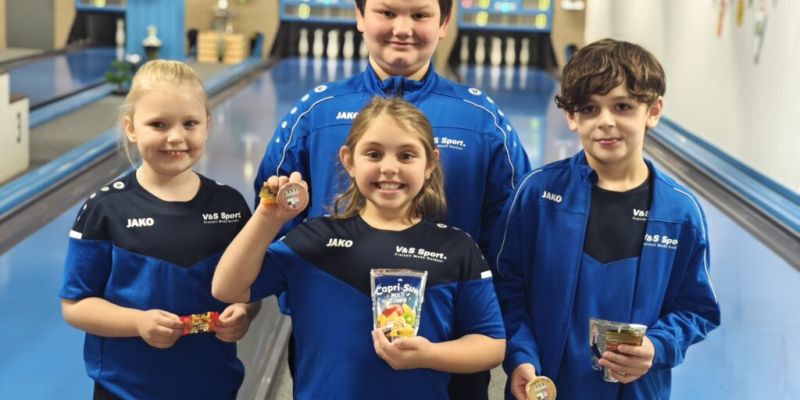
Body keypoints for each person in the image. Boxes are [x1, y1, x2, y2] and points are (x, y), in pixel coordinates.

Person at [255, 0, 530, 396]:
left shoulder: (482, 120)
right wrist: (299, 298)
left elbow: (514, 239)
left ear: (444, 22)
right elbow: (270, 208)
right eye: (386, 12)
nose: (403, 28)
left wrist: (508, 339)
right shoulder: (316, 112)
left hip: (449, 339)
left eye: (420, 15)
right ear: (360, 16)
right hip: (332, 339)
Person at [214, 97, 506, 399]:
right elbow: (227, 288)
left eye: (406, 156)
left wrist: (429, 355)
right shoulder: (314, 240)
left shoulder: (457, 248)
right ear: (349, 160)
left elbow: (491, 345)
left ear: (430, 164)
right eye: (374, 154)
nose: (389, 168)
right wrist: (266, 218)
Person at [490, 38, 721, 400]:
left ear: (653, 111)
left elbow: (696, 308)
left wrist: (657, 347)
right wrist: (521, 356)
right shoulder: (537, 195)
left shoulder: (680, 213)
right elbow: (506, 289)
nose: (606, 122)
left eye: (623, 106)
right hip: (546, 388)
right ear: (571, 117)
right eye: (589, 108)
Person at [59, 60, 260, 400]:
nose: (176, 137)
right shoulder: (105, 209)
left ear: (207, 125)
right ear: (131, 128)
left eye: (190, 123)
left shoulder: (231, 205)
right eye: (158, 124)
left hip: (212, 386)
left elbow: (249, 290)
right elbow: (76, 305)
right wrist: (138, 323)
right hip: (125, 390)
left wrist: (244, 313)